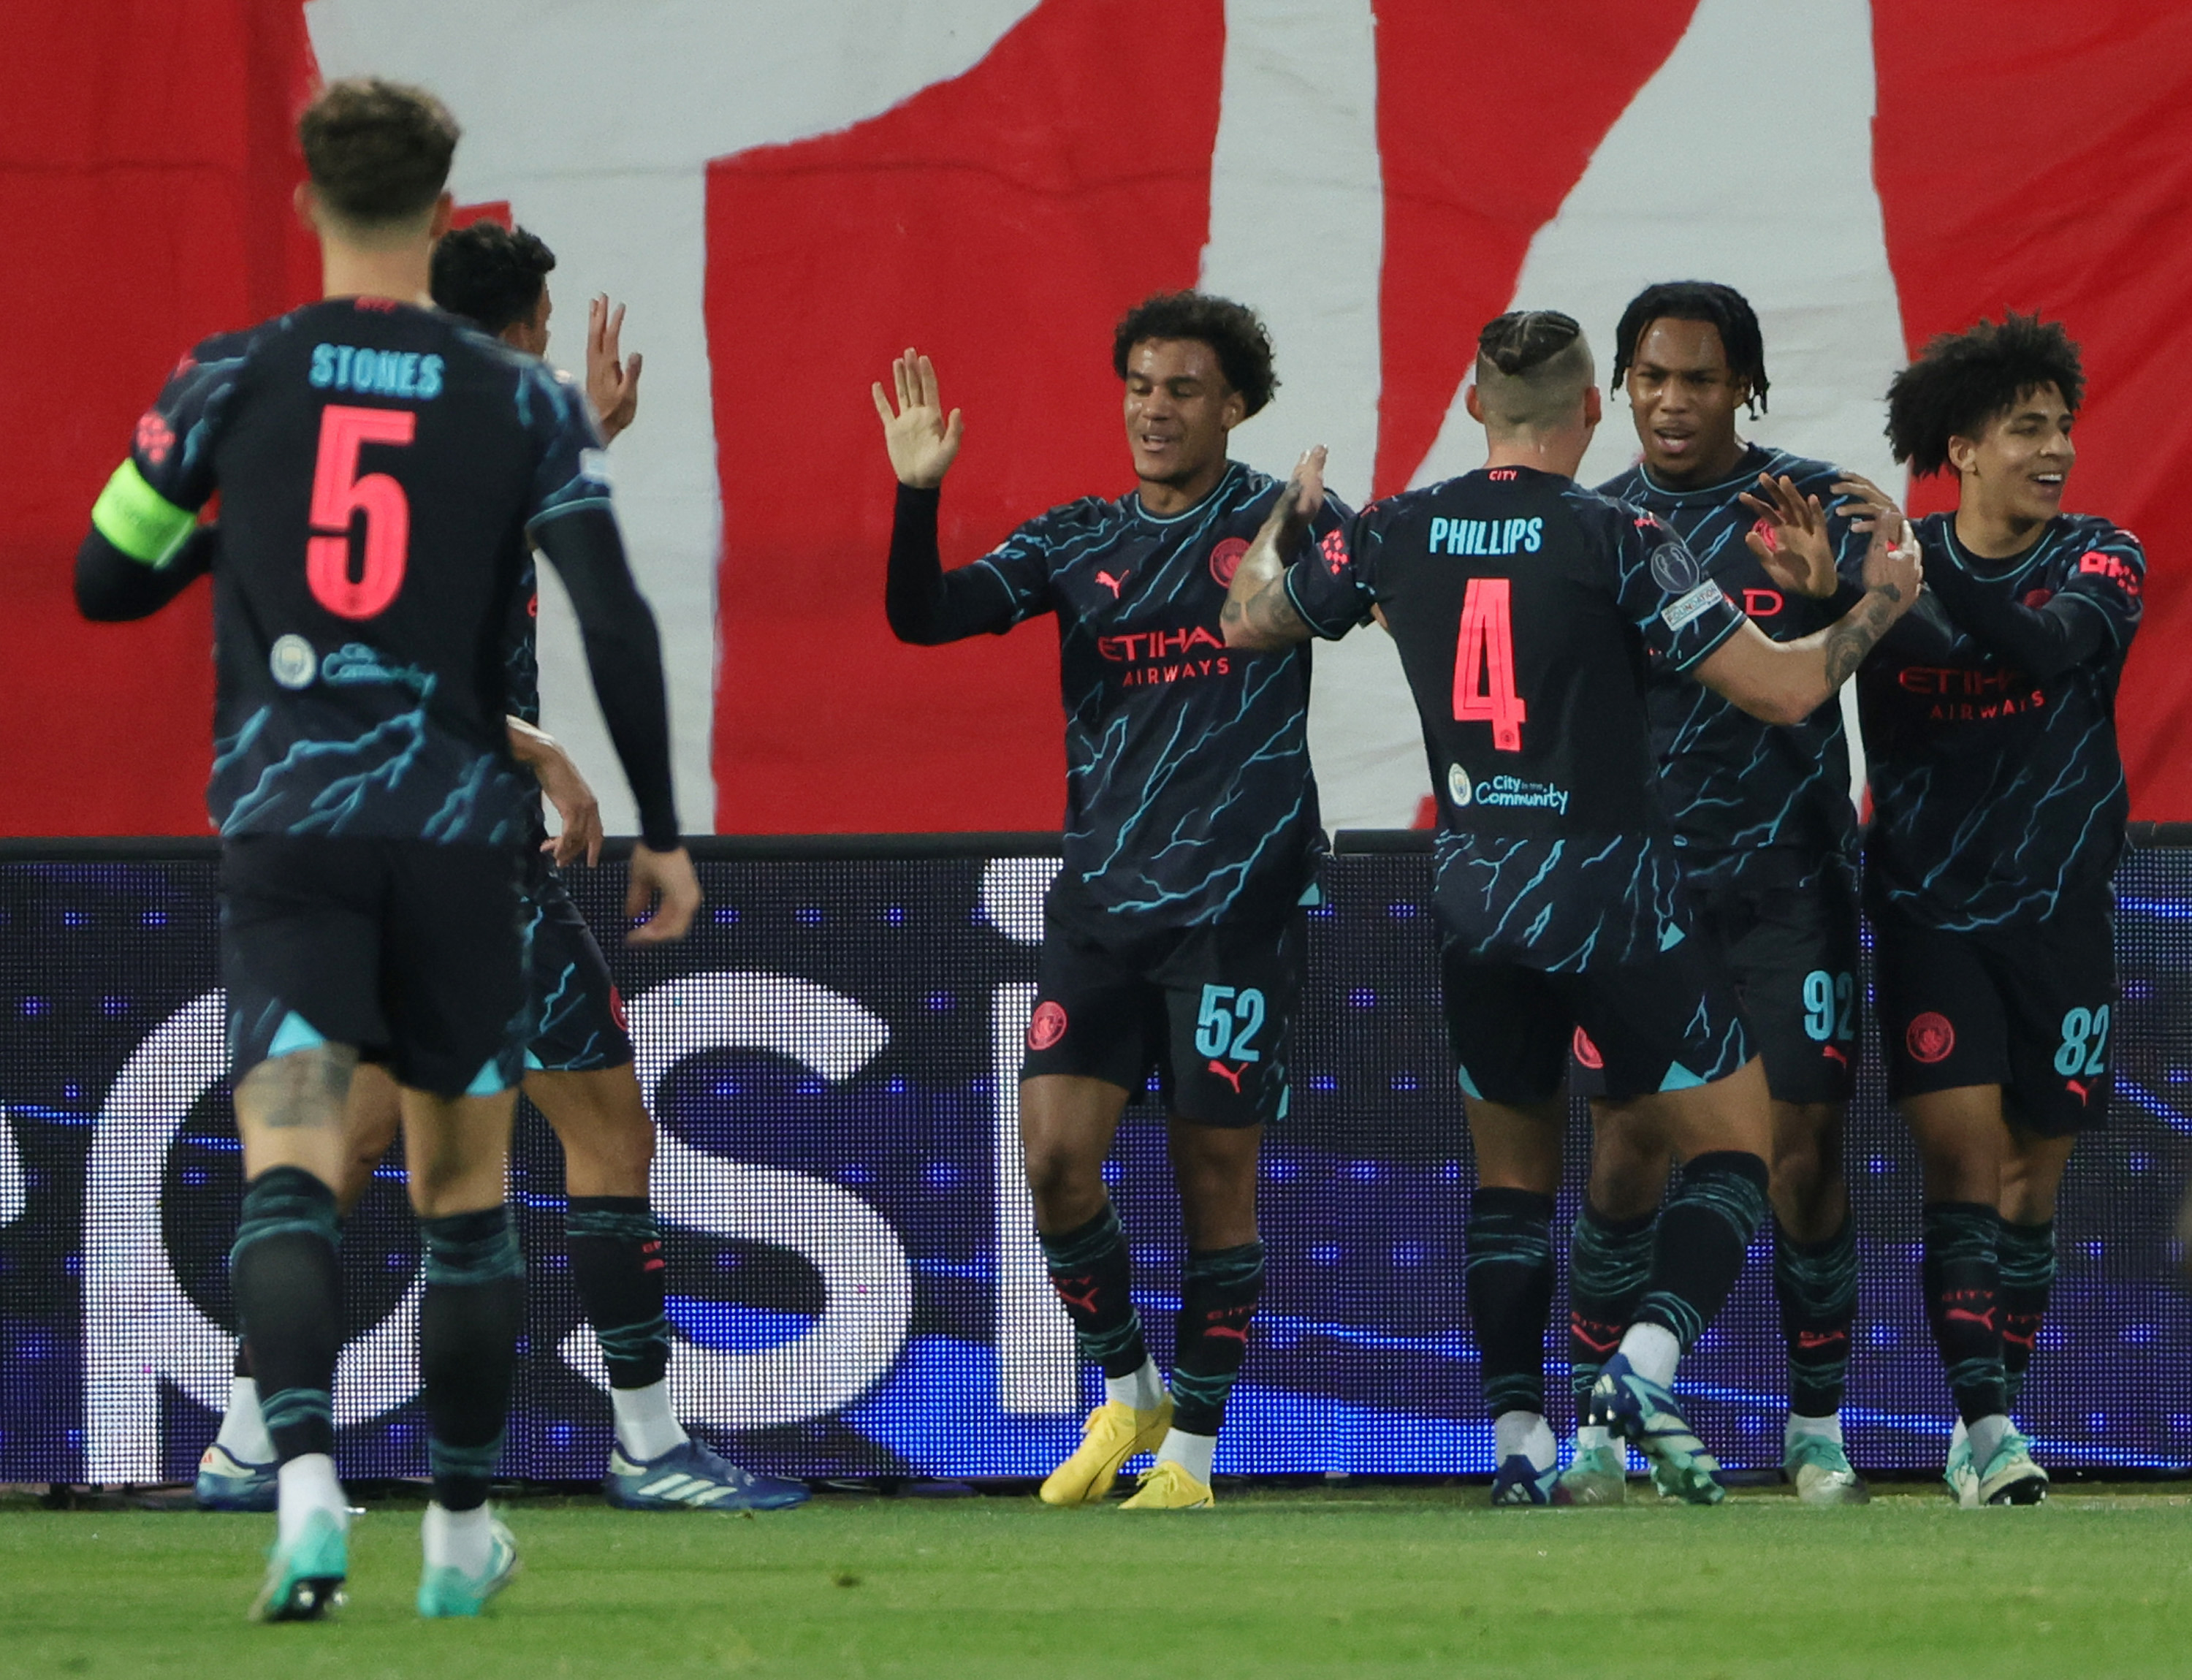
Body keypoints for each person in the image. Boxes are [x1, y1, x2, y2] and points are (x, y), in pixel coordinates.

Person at [75, 78, 700, 1618]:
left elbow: (103, 577)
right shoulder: (517, 401)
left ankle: (297, 1487)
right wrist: (667, 829)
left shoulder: (232, 374)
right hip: (453, 853)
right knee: (463, 1187)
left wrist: (238, 547)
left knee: (291, 1167)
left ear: (307, 204)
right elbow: (611, 618)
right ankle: (459, 1529)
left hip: (289, 842)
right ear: (441, 212)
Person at [1221, 309, 1921, 1504]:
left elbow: (1245, 621)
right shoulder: (1617, 531)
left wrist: (1284, 522)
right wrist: (1877, 607)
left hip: (1473, 892)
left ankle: (1515, 1448)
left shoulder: (1397, 528)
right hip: (1608, 892)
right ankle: (1642, 1366)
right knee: (1742, 1152)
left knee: (1511, 1183)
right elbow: (1785, 690)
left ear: (1470, 399)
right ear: (1594, 407)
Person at [194, 218, 802, 1519]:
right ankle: (645, 1445)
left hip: (343, 845)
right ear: (525, 324)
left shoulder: (400, 438)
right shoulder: (494, 430)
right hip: (460, 848)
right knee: (603, 1130)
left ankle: (250, 1442)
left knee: (350, 1143)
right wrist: (546, 758)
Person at [872, 292, 1346, 1510]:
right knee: (1055, 1159)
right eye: (1139, 384)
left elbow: (1380, 608)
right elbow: (923, 619)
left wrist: (1327, 558)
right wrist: (917, 491)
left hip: (1234, 908)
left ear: (1233, 407)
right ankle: (1127, 1384)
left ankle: (1189, 1453)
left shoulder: (1281, 520)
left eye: (1182, 389)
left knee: (1213, 1181)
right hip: (1099, 907)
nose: (1153, 407)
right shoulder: (1076, 539)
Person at [1560, 281, 1879, 1506]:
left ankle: (1815, 1427)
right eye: (1650, 376)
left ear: (1744, 385)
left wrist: (1839, 589)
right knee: (1629, 1160)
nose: (1671, 401)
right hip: (1640, 899)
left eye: (1698, 378)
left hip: (1789, 885)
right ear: (1623, 387)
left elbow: (1912, 644)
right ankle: (1599, 1432)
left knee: (1801, 1153)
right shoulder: (1592, 526)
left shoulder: (1812, 505)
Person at [1848, 314, 2142, 1507]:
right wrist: (1835, 594)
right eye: (2029, 428)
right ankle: (1989, 1428)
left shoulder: (2102, 557)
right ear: (1963, 447)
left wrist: (1921, 585)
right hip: (1930, 913)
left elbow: (2040, 652)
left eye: (2063, 426)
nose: (2057, 448)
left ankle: (1993, 1421)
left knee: (2032, 1185)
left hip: (2062, 916)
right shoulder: (1889, 570)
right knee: (1964, 1171)